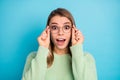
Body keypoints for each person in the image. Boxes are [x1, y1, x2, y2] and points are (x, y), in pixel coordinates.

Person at [22, 8, 97, 80]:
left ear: (73, 31)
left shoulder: (87, 58)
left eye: (66, 27)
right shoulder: (34, 57)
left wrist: (77, 48)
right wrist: (43, 48)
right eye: (54, 28)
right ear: (48, 31)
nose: (60, 33)